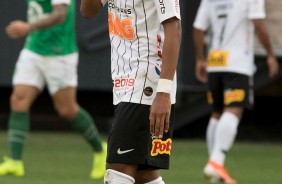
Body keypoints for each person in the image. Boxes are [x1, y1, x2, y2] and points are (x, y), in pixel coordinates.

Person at [0, 0, 107, 179]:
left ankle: (101, 149)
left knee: (67, 109)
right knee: (18, 99)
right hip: (34, 49)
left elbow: (60, 14)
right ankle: (15, 161)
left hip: (59, 53)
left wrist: (28, 27)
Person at [80, 0, 181, 183]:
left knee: (117, 170)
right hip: (123, 82)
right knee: (144, 174)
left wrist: (164, 92)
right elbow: (88, 11)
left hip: (148, 82)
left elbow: (174, 29)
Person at [193, 0, 279, 183]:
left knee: (216, 114)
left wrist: (200, 59)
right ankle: (216, 162)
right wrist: (270, 54)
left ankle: (215, 166)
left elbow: (198, 28)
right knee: (233, 110)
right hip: (237, 64)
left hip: (214, 62)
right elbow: (258, 23)